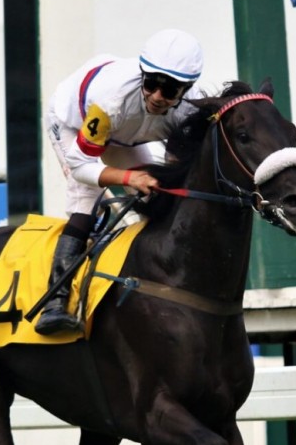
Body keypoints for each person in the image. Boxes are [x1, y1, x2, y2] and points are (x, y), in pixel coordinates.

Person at [36, 28, 205, 335]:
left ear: (188, 88)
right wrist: (128, 177)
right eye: (152, 83)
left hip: (125, 134)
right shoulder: (111, 102)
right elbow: (79, 165)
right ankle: (54, 302)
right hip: (73, 125)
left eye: (169, 90)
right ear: (143, 74)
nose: (156, 96)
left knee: (158, 194)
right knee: (86, 198)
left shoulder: (189, 111)